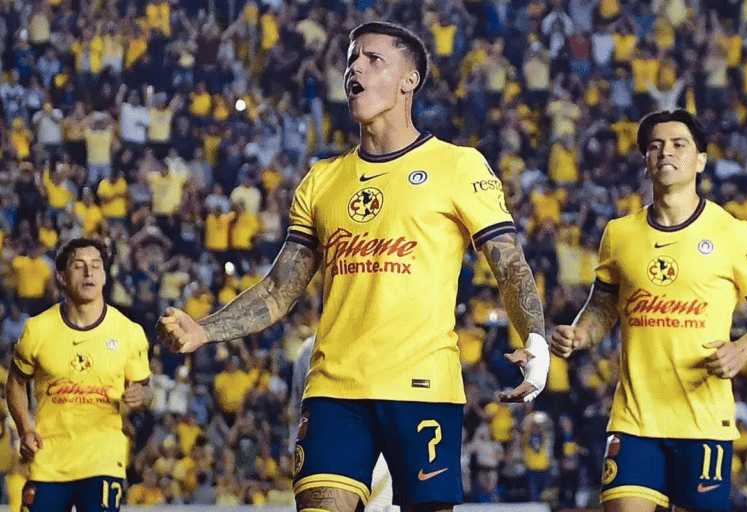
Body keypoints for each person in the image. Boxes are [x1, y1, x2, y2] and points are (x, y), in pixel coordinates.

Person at [158, 21, 548, 512]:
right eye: (351, 60)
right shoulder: (322, 179)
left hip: (423, 385)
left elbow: (509, 264)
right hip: (334, 390)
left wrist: (535, 339)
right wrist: (205, 330)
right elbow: (279, 289)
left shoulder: (458, 165)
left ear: (409, 80)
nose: (354, 69)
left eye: (372, 60)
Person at [550, 109, 747, 512]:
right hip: (634, 420)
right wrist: (580, 334)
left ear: (700, 160)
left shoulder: (731, 233)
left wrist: (745, 347)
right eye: (655, 146)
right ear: (646, 160)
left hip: (703, 423)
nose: (666, 152)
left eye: (678, 144)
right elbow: (603, 304)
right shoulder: (619, 233)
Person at [6, 237, 152, 512]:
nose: (89, 273)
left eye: (96, 266)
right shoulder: (37, 329)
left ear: (104, 276)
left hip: (103, 460)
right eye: (79, 266)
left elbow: (148, 391)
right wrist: (25, 429)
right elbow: (15, 383)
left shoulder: (129, 332)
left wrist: (142, 394)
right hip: (48, 460)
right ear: (62, 277)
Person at [289, 336, 398, 512]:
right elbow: (297, 408)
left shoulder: (391, 338)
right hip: (328, 442)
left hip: (377, 444)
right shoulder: (309, 349)